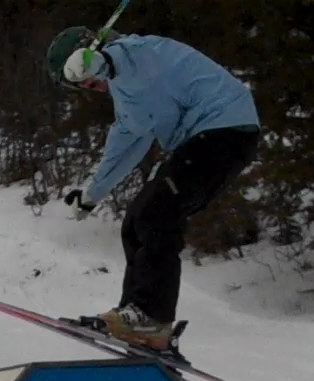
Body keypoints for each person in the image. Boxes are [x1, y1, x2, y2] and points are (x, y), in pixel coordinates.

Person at [46, 26, 260, 350]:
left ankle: (151, 319)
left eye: (90, 81)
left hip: (224, 129)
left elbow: (124, 60)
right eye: (86, 86)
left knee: (157, 213)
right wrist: (92, 195)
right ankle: (134, 316)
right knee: (135, 221)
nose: (94, 87)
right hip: (207, 138)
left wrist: (102, 60)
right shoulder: (127, 91)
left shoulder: (136, 54)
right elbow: (126, 142)